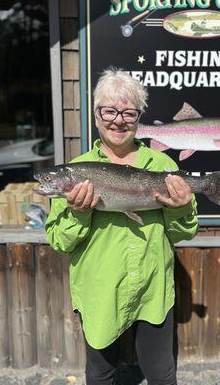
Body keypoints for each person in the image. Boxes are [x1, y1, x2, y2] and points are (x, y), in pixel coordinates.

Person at [45, 68, 199, 385]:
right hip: (100, 289)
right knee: (101, 374)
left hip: (152, 287)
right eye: (109, 111)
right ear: (97, 114)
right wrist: (78, 214)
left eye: (128, 112)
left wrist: (181, 208)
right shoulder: (77, 170)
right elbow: (59, 241)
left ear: (138, 117)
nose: (119, 120)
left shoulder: (164, 166)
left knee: (162, 374)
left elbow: (184, 232)